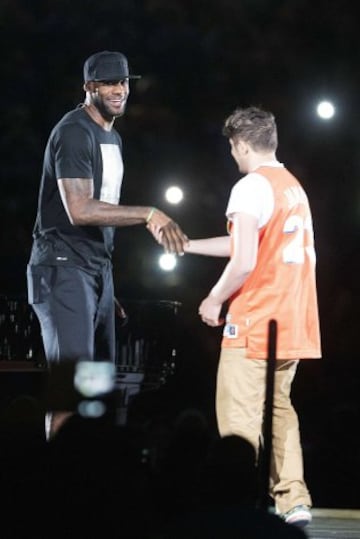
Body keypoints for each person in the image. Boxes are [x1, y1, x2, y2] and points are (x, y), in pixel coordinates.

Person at [26, 50, 188, 439]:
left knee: (95, 392)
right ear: (88, 87)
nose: (118, 90)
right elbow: (79, 209)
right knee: (73, 388)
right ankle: (56, 488)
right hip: (63, 266)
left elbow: (101, 214)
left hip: (91, 271)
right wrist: (149, 213)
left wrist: (103, 281)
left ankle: (87, 487)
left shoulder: (111, 136)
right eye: (108, 83)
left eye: (124, 83)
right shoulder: (73, 132)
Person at [181, 106, 322, 527]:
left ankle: (236, 510)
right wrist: (188, 246)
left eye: (232, 147)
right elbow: (248, 244)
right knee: (280, 410)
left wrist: (214, 299)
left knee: (238, 420)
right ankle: (293, 500)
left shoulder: (249, 186)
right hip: (290, 319)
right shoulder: (290, 186)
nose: (232, 155)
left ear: (241, 144)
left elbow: (244, 262)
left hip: (254, 321)